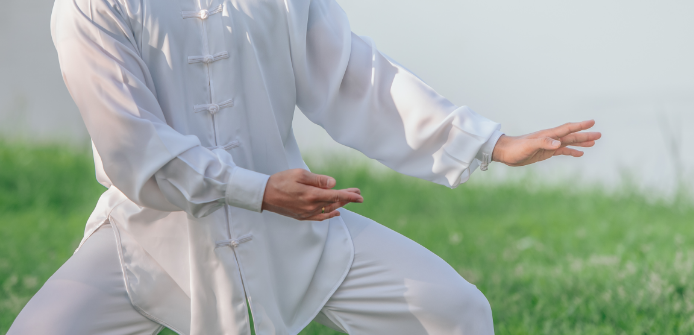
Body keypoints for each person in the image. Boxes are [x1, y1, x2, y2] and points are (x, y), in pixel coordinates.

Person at [8, 0, 600, 333]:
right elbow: (132, 145)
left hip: (297, 234)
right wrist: (256, 190)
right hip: (150, 243)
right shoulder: (90, 6)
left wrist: (491, 143)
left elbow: (356, 78)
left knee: (456, 313)